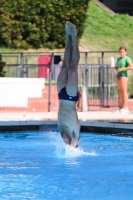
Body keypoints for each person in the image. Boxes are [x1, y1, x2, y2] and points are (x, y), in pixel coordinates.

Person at [57, 21, 80, 148]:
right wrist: (72, 147)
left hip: (61, 96)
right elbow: (73, 148)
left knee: (65, 66)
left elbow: (66, 148)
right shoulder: (75, 134)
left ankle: (67, 37)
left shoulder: (62, 134)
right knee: (72, 69)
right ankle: (74, 37)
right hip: (71, 98)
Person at [114, 46, 133, 112]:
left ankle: (125, 107)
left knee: (124, 91)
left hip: (123, 75)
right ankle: (121, 106)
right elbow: (117, 67)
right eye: (120, 52)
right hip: (118, 75)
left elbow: (131, 67)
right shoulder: (118, 59)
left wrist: (122, 69)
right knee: (120, 91)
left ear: (125, 52)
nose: (122, 53)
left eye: (123, 52)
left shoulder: (127, 58)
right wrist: (115, 67)